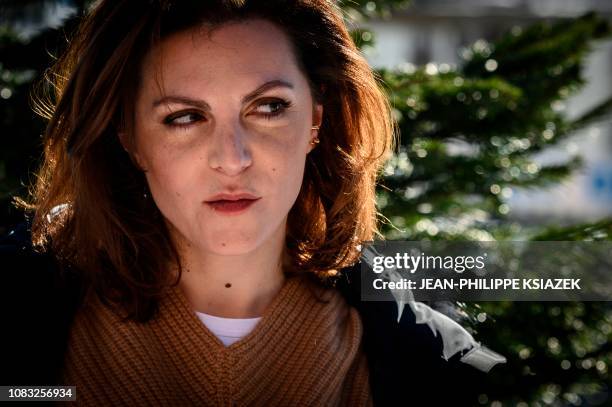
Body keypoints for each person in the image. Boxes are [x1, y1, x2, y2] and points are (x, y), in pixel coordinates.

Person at [0, 0, 504, 405]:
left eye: (268, 107)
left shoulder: (427, 363)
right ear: (130, 139)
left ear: (316, 122)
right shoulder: (24, 328)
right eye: (184, 117)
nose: (232, 158)